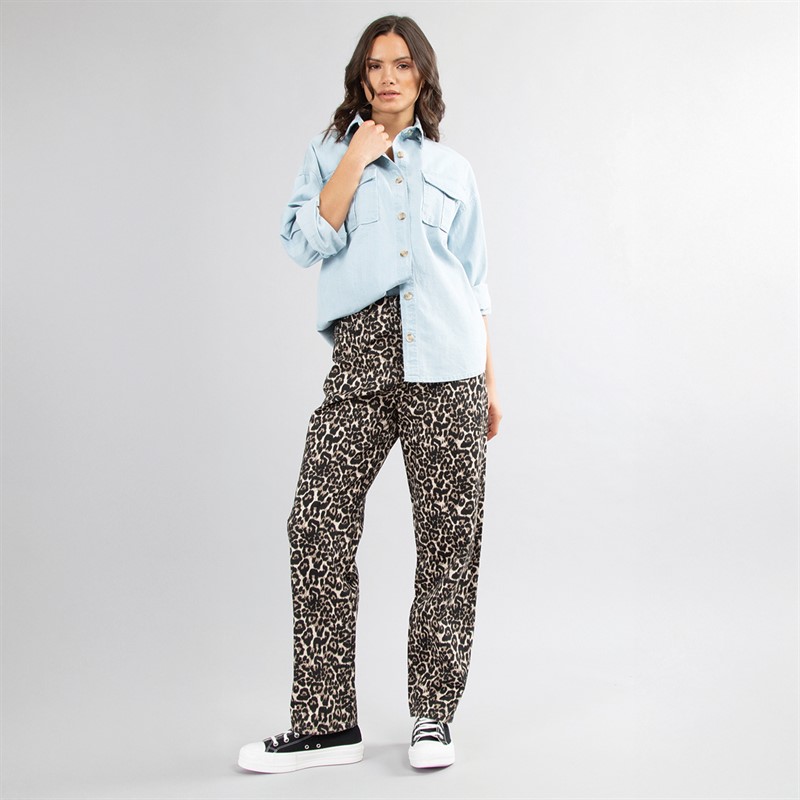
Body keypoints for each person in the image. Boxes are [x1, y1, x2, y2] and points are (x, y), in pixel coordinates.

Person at [238, 14, 502, 774]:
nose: (389, 76)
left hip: (449, 361)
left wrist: (490, 380)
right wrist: (355, 157)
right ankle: (326, 722)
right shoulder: (329, 152)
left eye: (403, 64)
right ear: (361, 77)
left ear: (422, 77)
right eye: (376, 65)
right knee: (316, 522)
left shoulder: (453, 169)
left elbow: (475, 281)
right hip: (362, 356)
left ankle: (432, 717)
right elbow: (302, 242)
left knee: (449, 541)